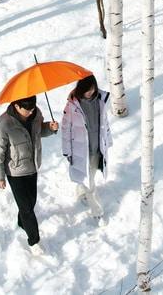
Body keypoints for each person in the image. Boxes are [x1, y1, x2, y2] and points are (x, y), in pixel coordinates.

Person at [0, 95, 58, 253]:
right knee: (26, 207)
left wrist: (50, 128)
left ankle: (22, 222)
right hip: (15, 171)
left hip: (32, 165)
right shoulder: (3, 124)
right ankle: (34, 241)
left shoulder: (36, 114)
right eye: (27, 109)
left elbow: (39, 131)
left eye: (32, 108)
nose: (30, 111)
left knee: (31, 201)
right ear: (17, 106)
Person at [59, 75, 112, 219]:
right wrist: (67, 151)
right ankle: (97, 211)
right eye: (86, 90)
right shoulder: (72, 106)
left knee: (91, 176)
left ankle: (82, 191)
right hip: (81, 150)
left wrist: (108, 140)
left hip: (97, 146)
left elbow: (105, 123)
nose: (90, 93)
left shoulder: (100, 100)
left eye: (92, 89)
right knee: (90, 181)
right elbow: (66, 129)